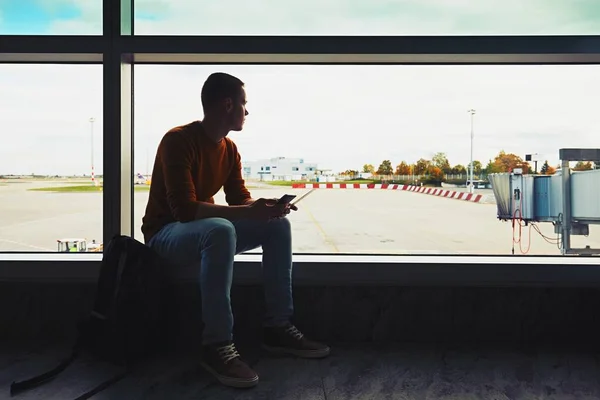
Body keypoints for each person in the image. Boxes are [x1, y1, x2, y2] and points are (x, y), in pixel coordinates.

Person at [141, 72, 330, 389]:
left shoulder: (229, 149)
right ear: (228, 105)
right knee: (220, 230)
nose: (247, 111)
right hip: (165, 234)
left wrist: (266, 209)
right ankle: (216, 345)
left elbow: (240, 200)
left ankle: (277, 327)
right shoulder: (178, 140)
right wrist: (247, 211)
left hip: (200, 231)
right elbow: (184, 210)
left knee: (278, 226)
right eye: (244, 104)